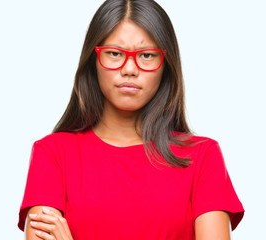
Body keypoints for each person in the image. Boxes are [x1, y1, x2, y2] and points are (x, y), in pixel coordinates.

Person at [17, 0, 244, 239]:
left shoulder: (202, 157)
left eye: (146, 55)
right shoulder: (52, 154)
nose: (129, 69)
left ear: (165, 65)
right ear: (93, 59)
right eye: (115, 53)